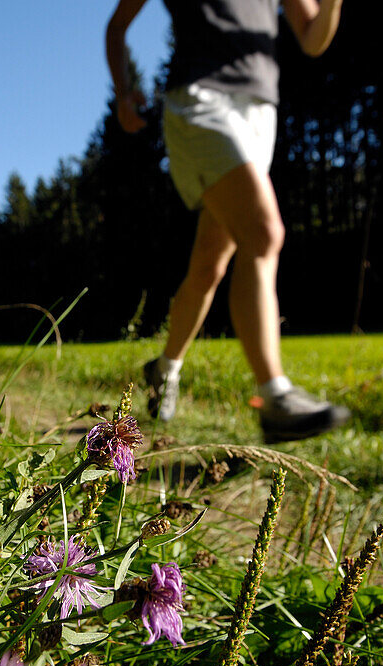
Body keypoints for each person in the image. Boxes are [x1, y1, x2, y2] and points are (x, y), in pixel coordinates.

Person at [106, 0, 349, 443]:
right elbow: (118, 25)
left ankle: (164, 370)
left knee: (209, 265)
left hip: (259, 113)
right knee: (263, 232)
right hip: (201, 100)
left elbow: (312, 38)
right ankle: (275, 397)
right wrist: (125, 91)